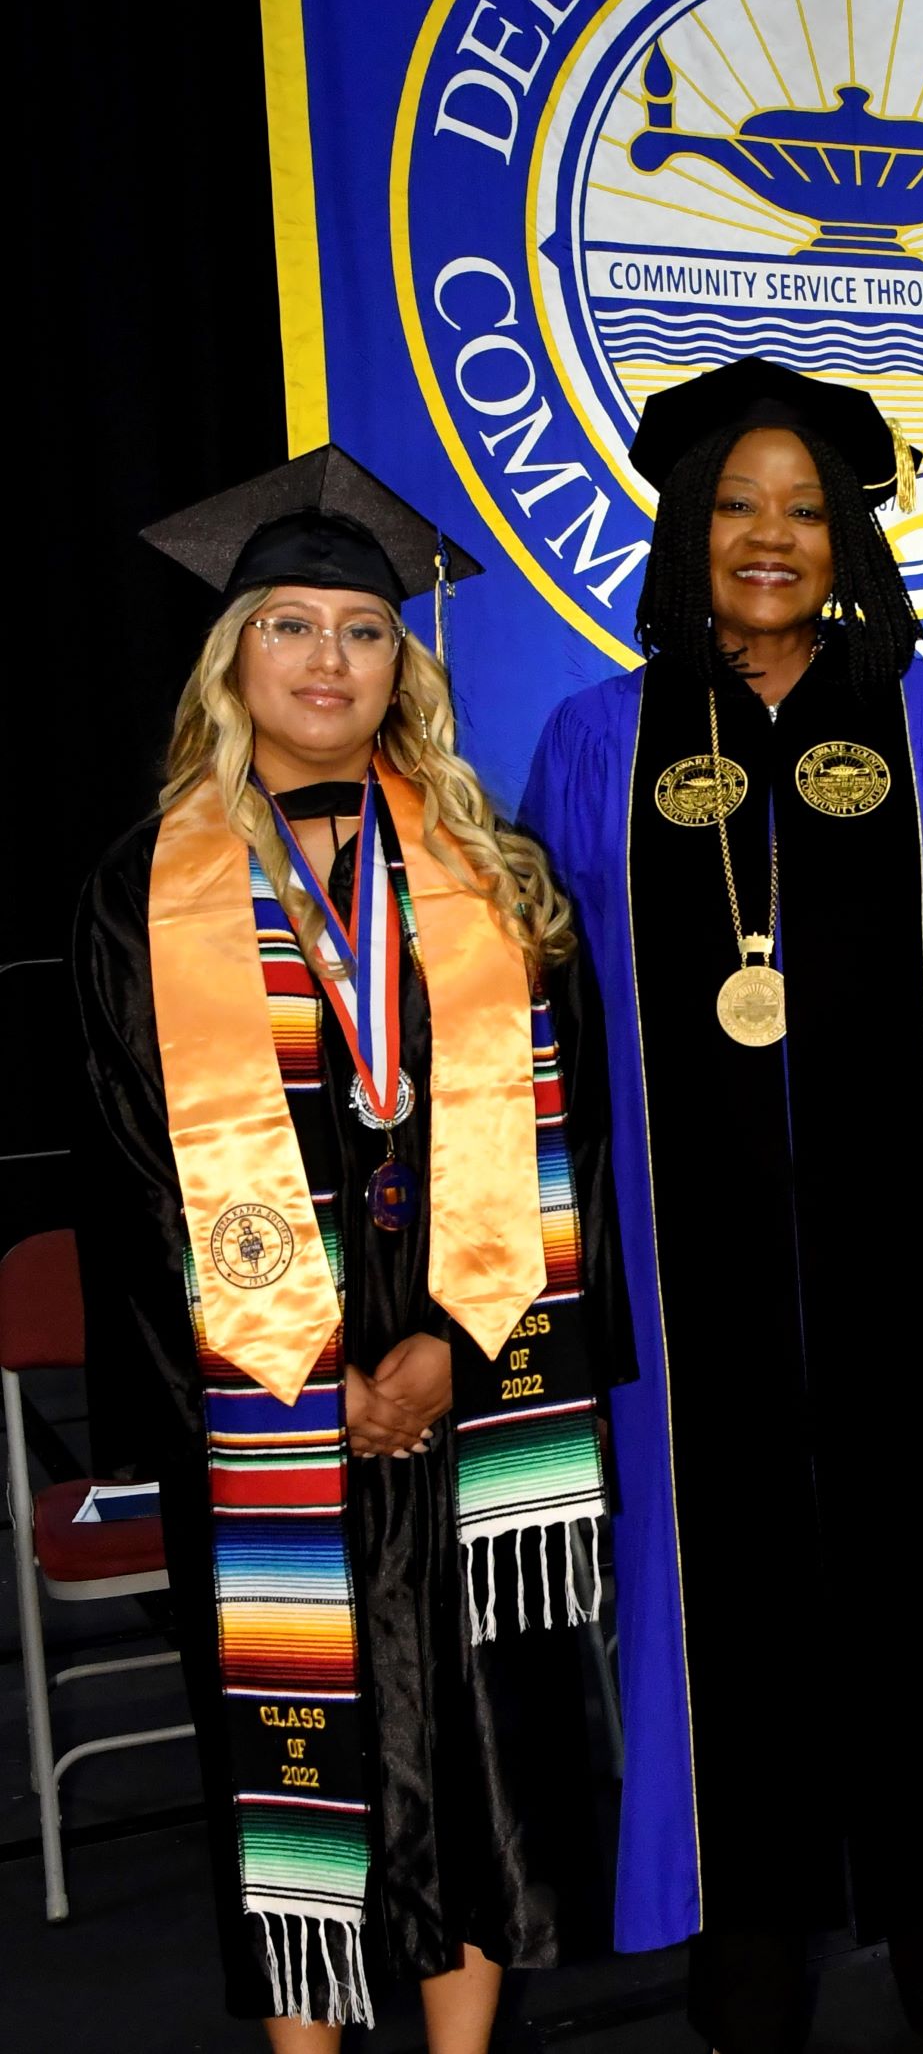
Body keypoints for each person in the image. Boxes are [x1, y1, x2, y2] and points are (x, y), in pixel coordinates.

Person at [523, 357, 923, 2054]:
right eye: (736, 507)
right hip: (682, 1265)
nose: (771, 539)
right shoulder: (598, 739)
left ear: (850, 534)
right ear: (686, 531)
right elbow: (545, 1022)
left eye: (805, 509)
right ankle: (751, 1960)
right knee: (718, 1609)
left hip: (911, 1264)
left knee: (918, 1594)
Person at [73, 447, 629, 2050]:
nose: (329, 661)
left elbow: (563, 1141)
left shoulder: (494, 876)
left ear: (407, 662)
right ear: (232, 658)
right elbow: (133, 1180)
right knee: (288, 1743)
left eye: (363, 630)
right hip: (265, 1389)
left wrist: (445, 1350)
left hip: (463, 1361)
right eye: (291, 626)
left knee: (483, 1742)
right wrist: (315, 1379)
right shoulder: (141, 895)